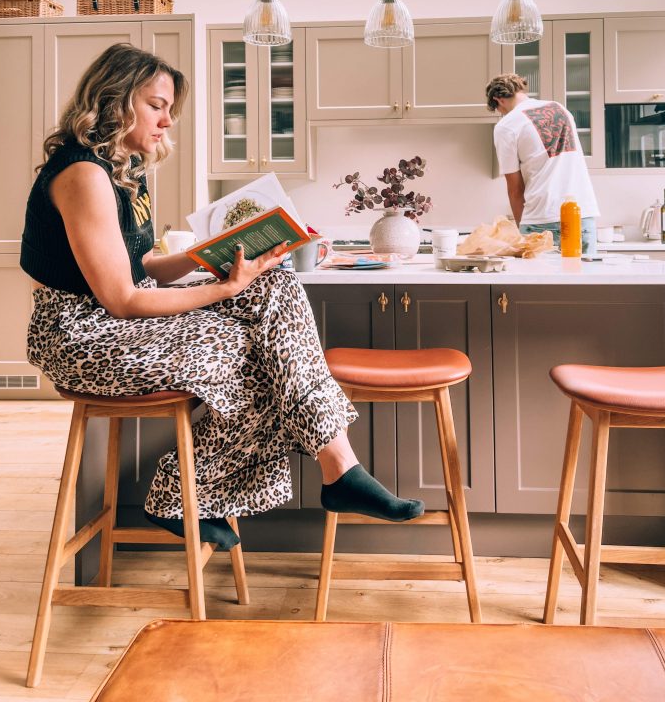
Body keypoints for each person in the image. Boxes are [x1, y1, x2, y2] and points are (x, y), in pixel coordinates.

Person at [21, 43, 423, 548]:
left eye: (170, 109)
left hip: (114, 319)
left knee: (273, 287)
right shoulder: (83, 174)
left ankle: (335, 467)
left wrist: (211, 255)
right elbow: (121, 298)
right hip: (79, 335)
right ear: (113, 100)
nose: (167, 121)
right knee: (252, 348)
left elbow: (140, 266)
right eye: (156, 105)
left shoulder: (125, 171)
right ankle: (196, 493)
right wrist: (225, 287)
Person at [486, 73, 599, 255]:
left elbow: (515, 190)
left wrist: (522, 233)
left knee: (539, 283)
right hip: (582, 215)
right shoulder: (560, 109)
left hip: (541, 219)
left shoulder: (506, 126)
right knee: (583, 281)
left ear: (498, 100)